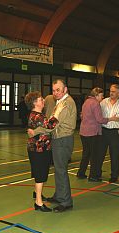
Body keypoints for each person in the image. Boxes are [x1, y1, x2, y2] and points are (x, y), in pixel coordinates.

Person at [31, 80, 76, 212]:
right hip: (58, 139)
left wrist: (36, 131)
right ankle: (59, 195)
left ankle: (66, 201)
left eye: (58, 90)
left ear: (65, 89)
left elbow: (52, 125)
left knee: (61, 170)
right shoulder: (60, 102)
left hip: (63, 139)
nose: (55, 93)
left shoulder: (67, 104)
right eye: (54, 90)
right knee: (58, 169)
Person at [25, 91, 64, 212]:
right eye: (41, 99)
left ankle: (37, 194)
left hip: (36, 148)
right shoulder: (38, 116)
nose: (43, 101)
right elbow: (51, 125)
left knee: (38, 173)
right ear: (35, 103)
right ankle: (38, 203)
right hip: (39, 149)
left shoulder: (35, 115)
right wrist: (58, 111)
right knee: (40, 175)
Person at [76, 87, 119, 181]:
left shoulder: (86, 102)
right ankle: (93, 176)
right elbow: (100, 120)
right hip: (92, 133)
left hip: (83, 132)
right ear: (96, 95)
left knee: (86, 154)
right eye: (101, 95)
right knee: (94, 155)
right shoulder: (95, 103)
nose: (103, 97)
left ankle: (81, 173)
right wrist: (111, 118)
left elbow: (82, 115)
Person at [99, 84, 119, 183]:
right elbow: (97, 115)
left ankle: (114, 175)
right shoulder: (103, 102)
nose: (111, 93)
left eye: (113, 91)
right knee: (100, 154)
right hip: (104, 131)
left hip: (116, 132)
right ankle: (97, 173)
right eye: (110, 91)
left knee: (114, 155)